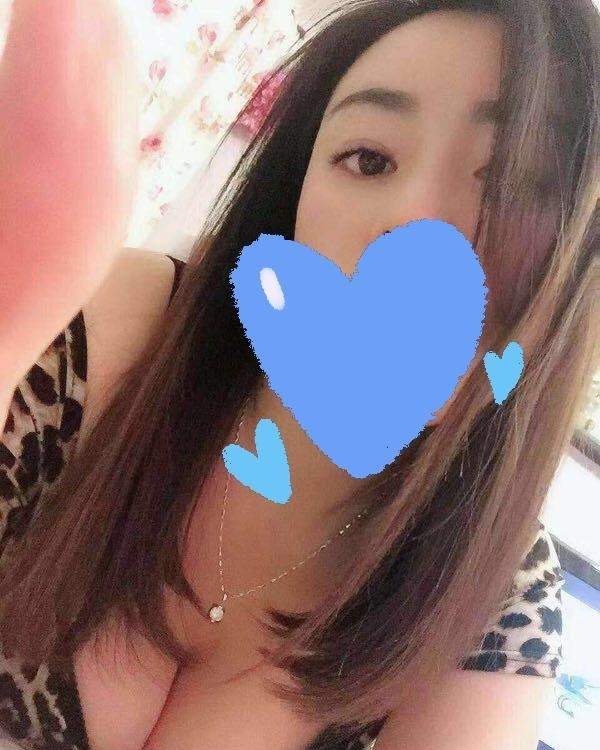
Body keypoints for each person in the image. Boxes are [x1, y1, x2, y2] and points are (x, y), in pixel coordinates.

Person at [0, 1, 598, 749]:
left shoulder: (498, 602)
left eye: (510, 181)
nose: (413, 223)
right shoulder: (115, 331)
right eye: (369, 159)